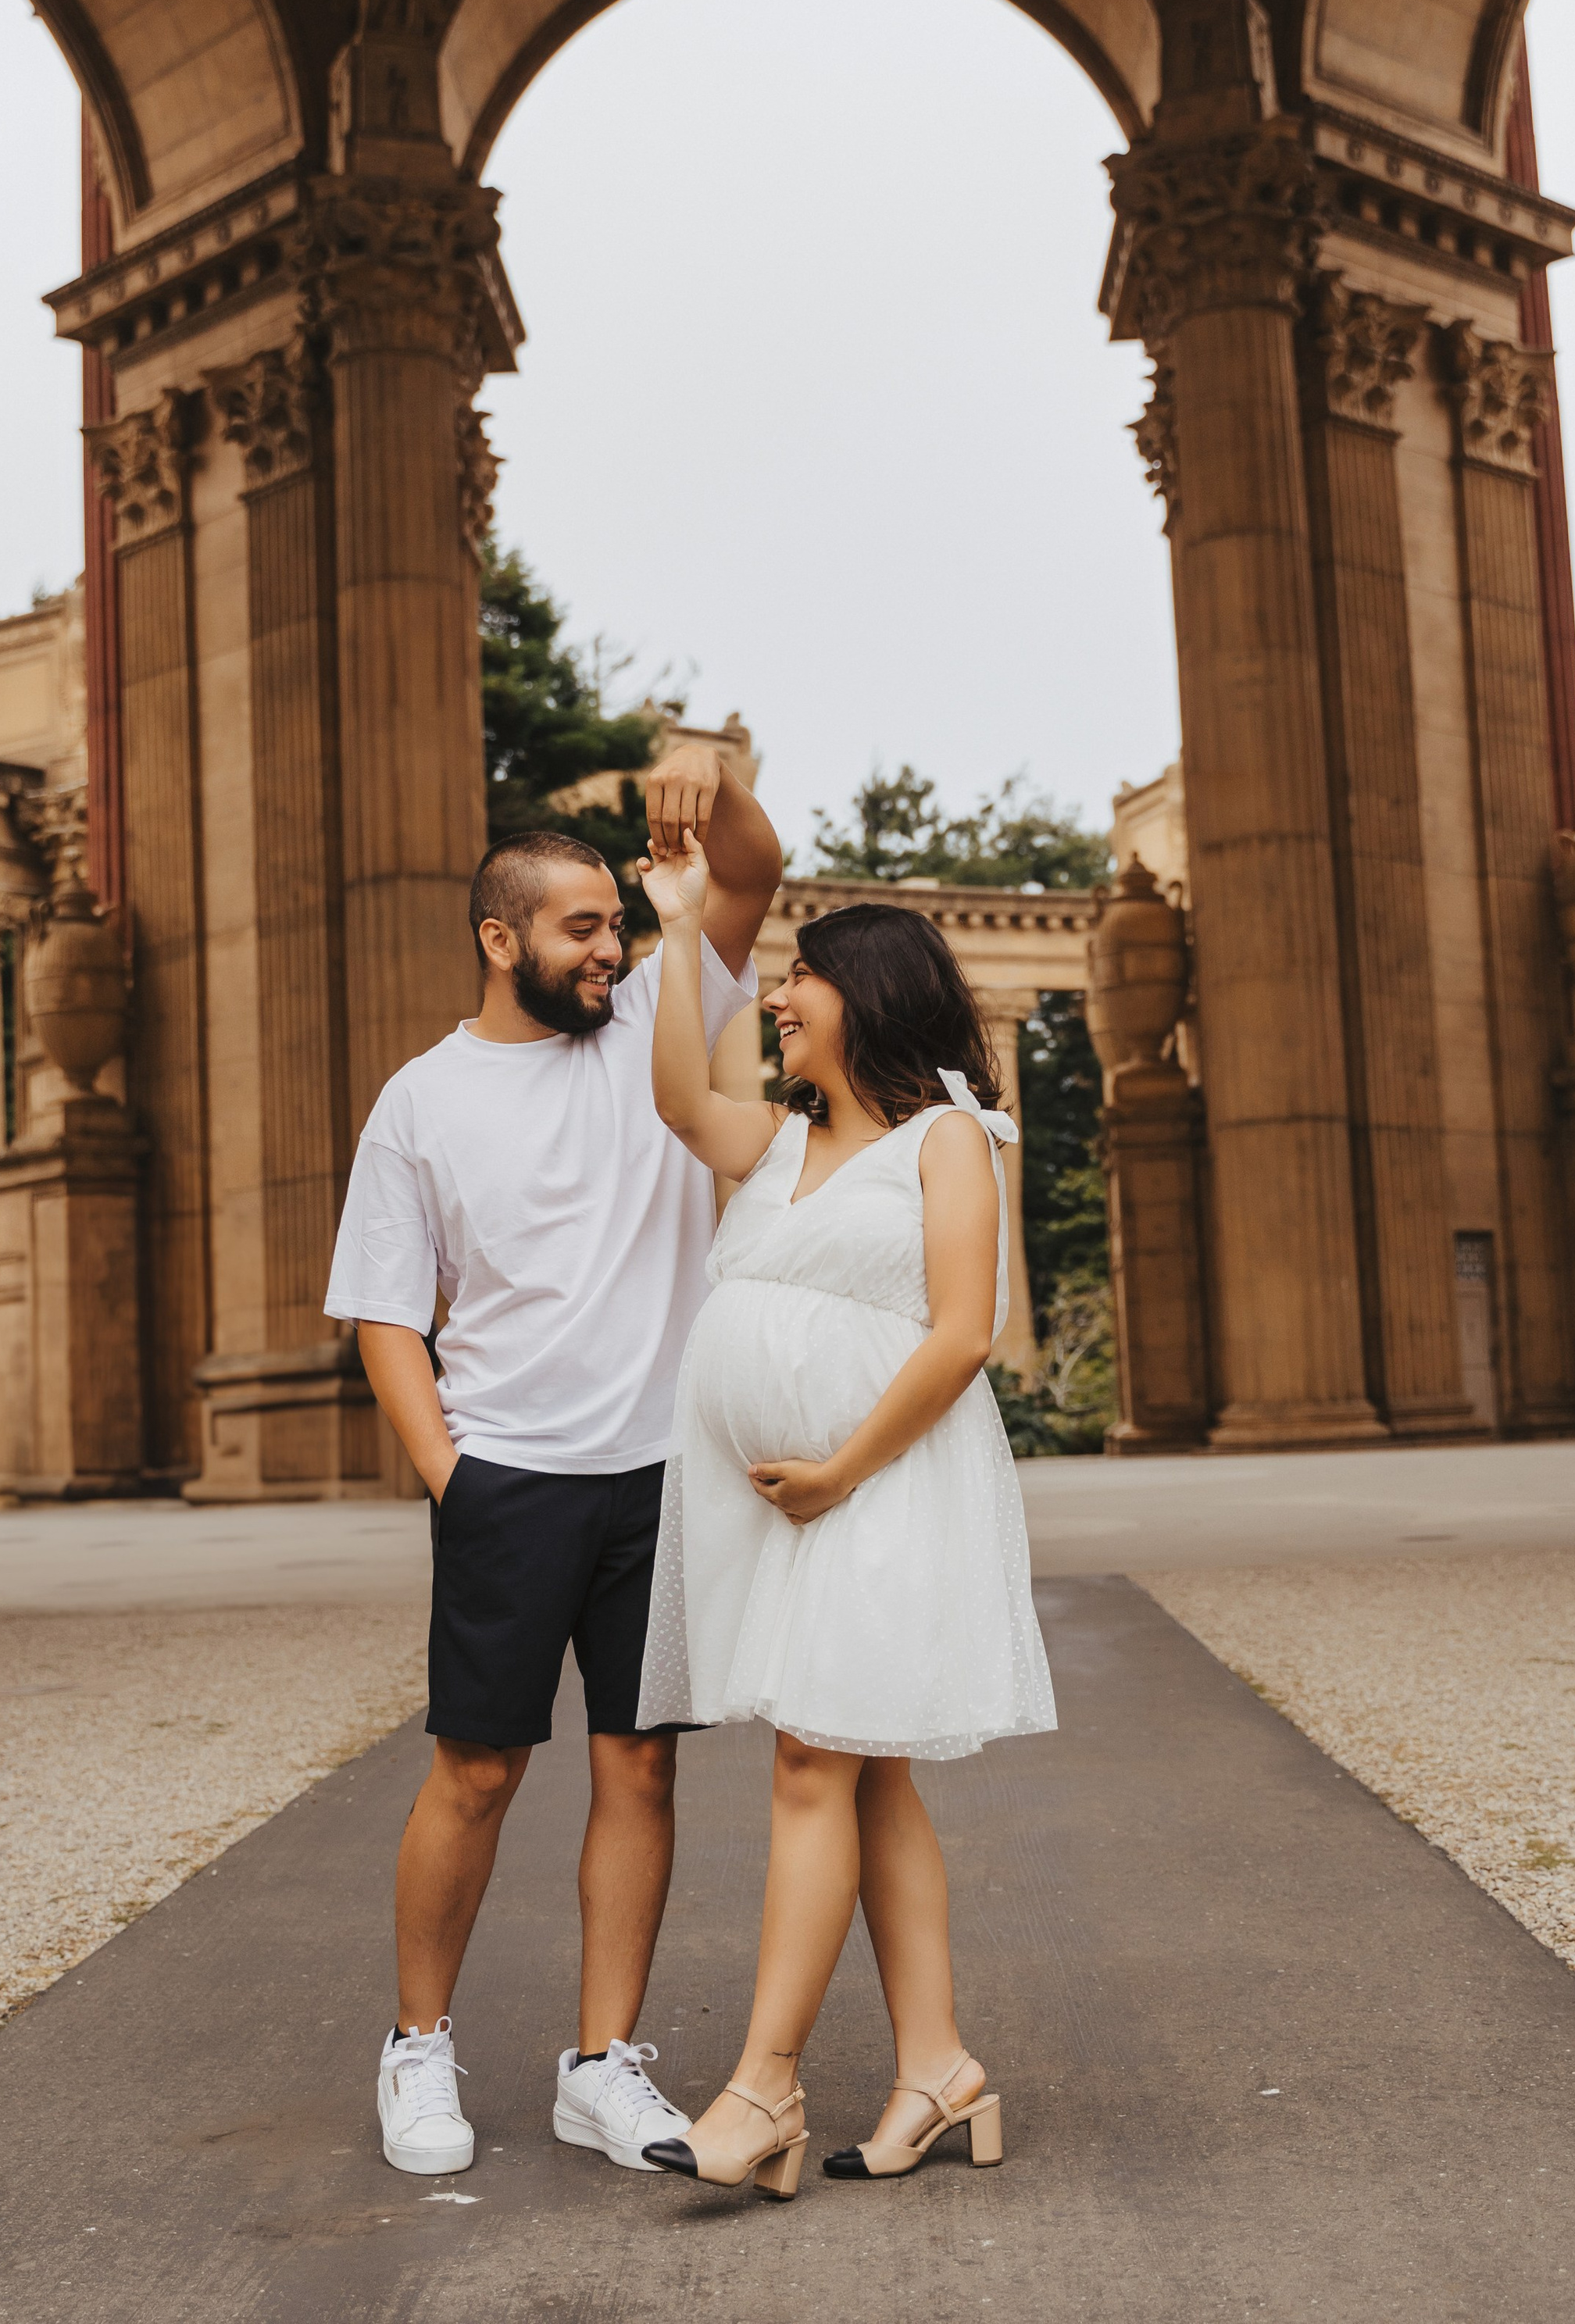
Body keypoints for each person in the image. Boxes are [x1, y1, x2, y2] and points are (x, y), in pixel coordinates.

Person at [323, 746, 782, 2179]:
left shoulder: (659, 1010)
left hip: (663, 1475)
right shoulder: (420, 1101)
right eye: (581, 926)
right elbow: (389, 1315)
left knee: (638, 1768)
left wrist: (720, 787)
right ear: (500, 938)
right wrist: (451, 1473)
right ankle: (417, 2049)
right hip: (510, 1476)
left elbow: (754, 876)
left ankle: (603, 2064)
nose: (612, 947)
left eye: (617, 922)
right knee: (477, 1771)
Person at [631, 835, 1055, 2201]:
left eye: (799, 976)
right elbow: (682, 1095)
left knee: (816, 1763)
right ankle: (937, 2066)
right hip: (792, 1510)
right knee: (869, 1772)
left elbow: (959, 1338)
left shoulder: (951, 1141)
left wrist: (840, 1470)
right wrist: (683, 927)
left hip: (884, 1488)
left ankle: (763, 2089)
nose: (778, 997)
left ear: (868, 992)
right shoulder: (777, 1144)